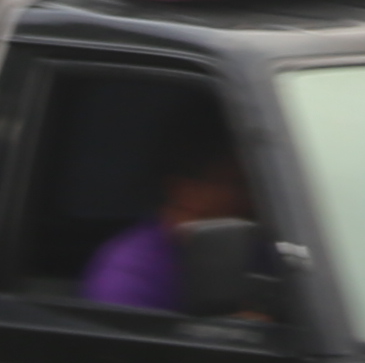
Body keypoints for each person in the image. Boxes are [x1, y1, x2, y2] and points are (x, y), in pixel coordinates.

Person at [82, 119, 261, 318]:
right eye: (235, 185)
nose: (250, 200)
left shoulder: (259, 247)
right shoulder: (130, 277)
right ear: (182, 191)